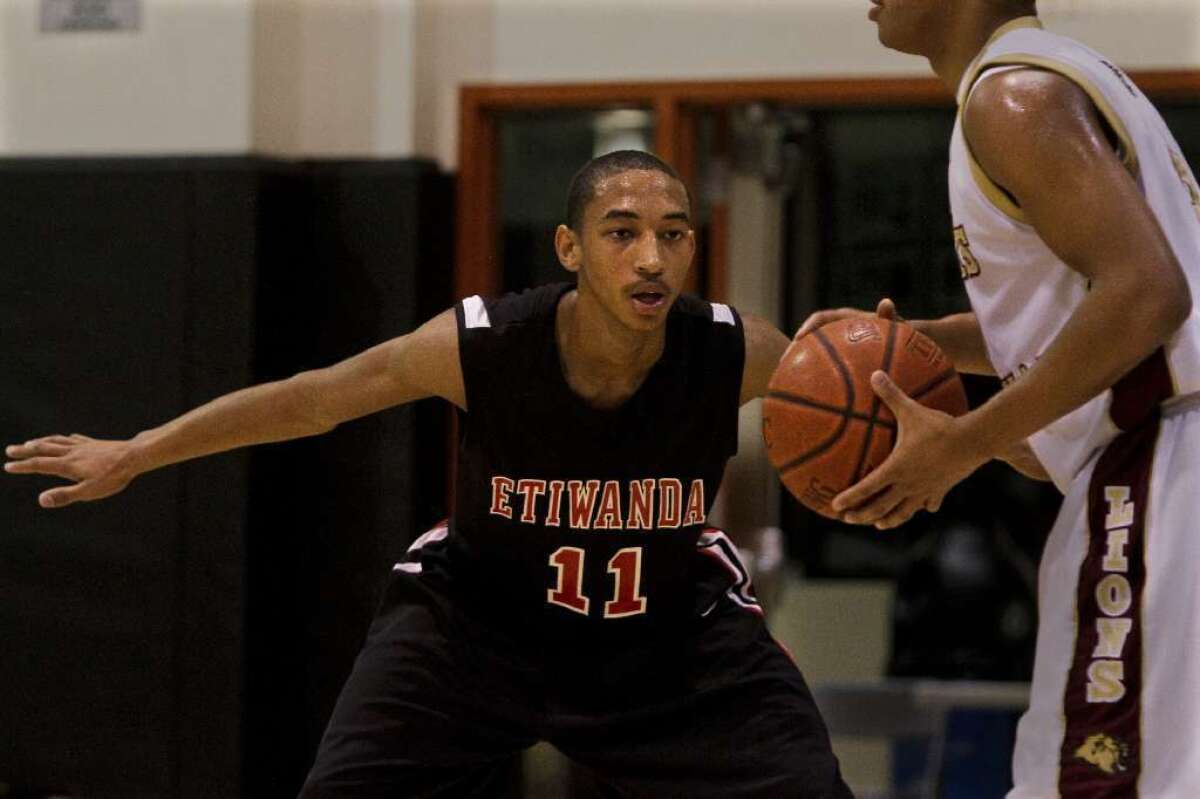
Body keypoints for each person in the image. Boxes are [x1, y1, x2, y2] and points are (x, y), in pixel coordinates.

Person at [6, 150, 854, 798]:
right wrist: (137, 450)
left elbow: (876, 402)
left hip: (671, 637)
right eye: (622, 232)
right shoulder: (481, 345)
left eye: (672, 234)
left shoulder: (735, 348)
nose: (651, 258)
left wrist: (929, 448)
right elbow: (314, 400)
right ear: (570, 246)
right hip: (475, 630)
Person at [800, 1, 1200, 796]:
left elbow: (1149, 294)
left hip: (1155, 473)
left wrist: (965, 443)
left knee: (1095, 781)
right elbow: (1089, 307)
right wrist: (925, 341)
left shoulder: (1010, 98)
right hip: (1162, 464)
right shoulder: (1060, 76)